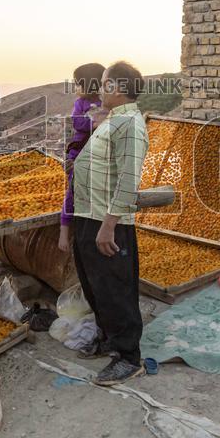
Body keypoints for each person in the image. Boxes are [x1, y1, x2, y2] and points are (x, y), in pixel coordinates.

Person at [71, 60, 149, 386]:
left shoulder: (130, 123)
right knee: (96, 284)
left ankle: (129, 357)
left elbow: (128, 181)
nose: (99, 89)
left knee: (116, 288)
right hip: (90, 214)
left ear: (117, 88)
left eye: (103, 84)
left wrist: (108, 225)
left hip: (108, 220)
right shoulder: (113, 119)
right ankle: (108, 338)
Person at [58, 63, 106, 254]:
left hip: (97, 155)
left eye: (78, 84)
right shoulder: (81, 104)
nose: (76, 88)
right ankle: (64, 229)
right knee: (73, 192)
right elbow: (77, 122)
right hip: (78, 153)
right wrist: (94, 121)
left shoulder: (105, 103)